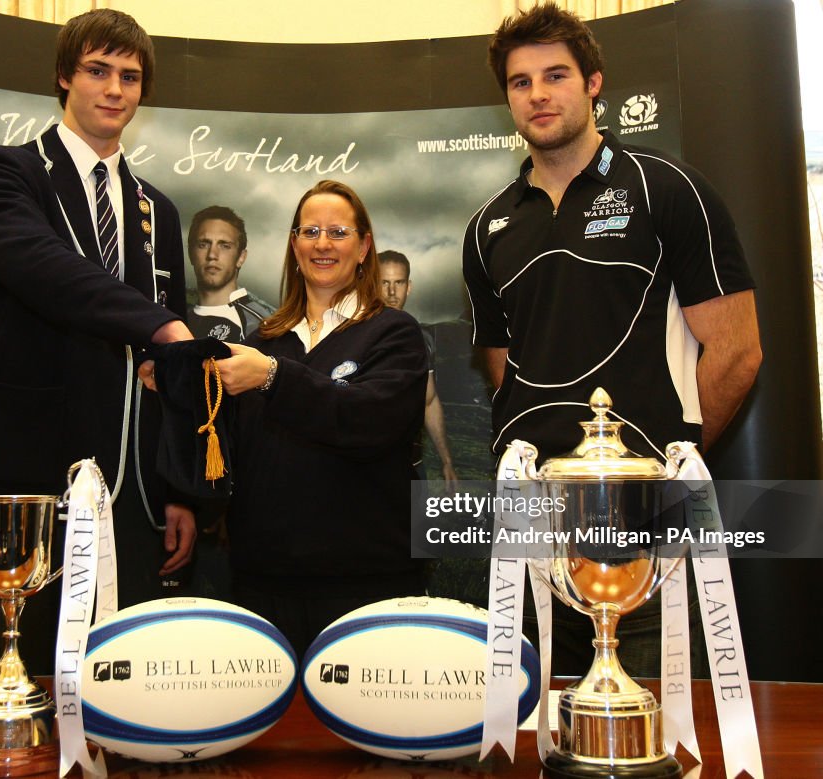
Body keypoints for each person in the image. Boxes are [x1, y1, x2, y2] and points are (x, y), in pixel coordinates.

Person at [462, 3, 762, 676]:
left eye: (556, 74)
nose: (538, 93)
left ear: (594, 83)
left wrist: (658, 469)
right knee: (545, 727)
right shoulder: (487, 228)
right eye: (520, 82)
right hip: (537, 528)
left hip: (644, 525)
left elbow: (739, 350)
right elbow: (503, 368)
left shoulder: (668, 188)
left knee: (655, 729)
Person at [0, 9, 197, 607]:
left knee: (123, 682)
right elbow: (46, 272)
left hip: (134, 491)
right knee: (18, 673)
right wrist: (162, 324)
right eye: (98, 70)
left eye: (131, 76)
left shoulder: (160, 210)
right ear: (65, 77)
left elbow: (167, 370)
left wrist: (177, 491)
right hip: (28, 479)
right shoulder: (6, 172)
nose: (115, 89)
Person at [214, 180, 429, 659]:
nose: (323, 243)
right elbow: (230, 451)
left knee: (368, 732)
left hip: (366, 586)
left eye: (339, 232)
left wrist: (273, 378)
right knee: (269, 732)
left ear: (364, 246)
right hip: (262, 587)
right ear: (294, 246)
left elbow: (370, 423)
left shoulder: (394, 334)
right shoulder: (262, 341)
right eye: (310, 231)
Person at [378, 250, 459, 488]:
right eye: (384, 283)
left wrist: (446, 461)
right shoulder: (352, 334)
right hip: (366, 470)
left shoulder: (421, 339)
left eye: (398, 283)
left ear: (408, 287)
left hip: (412, 467)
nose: (392, 292)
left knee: (417, 526)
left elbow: (429, 401)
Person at [187, 205, 275, 342]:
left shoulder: (260, 325)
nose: (212, 255)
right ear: (191, 254)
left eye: (225, 246)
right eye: (203, 244)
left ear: (241, 257)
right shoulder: (176, 322)